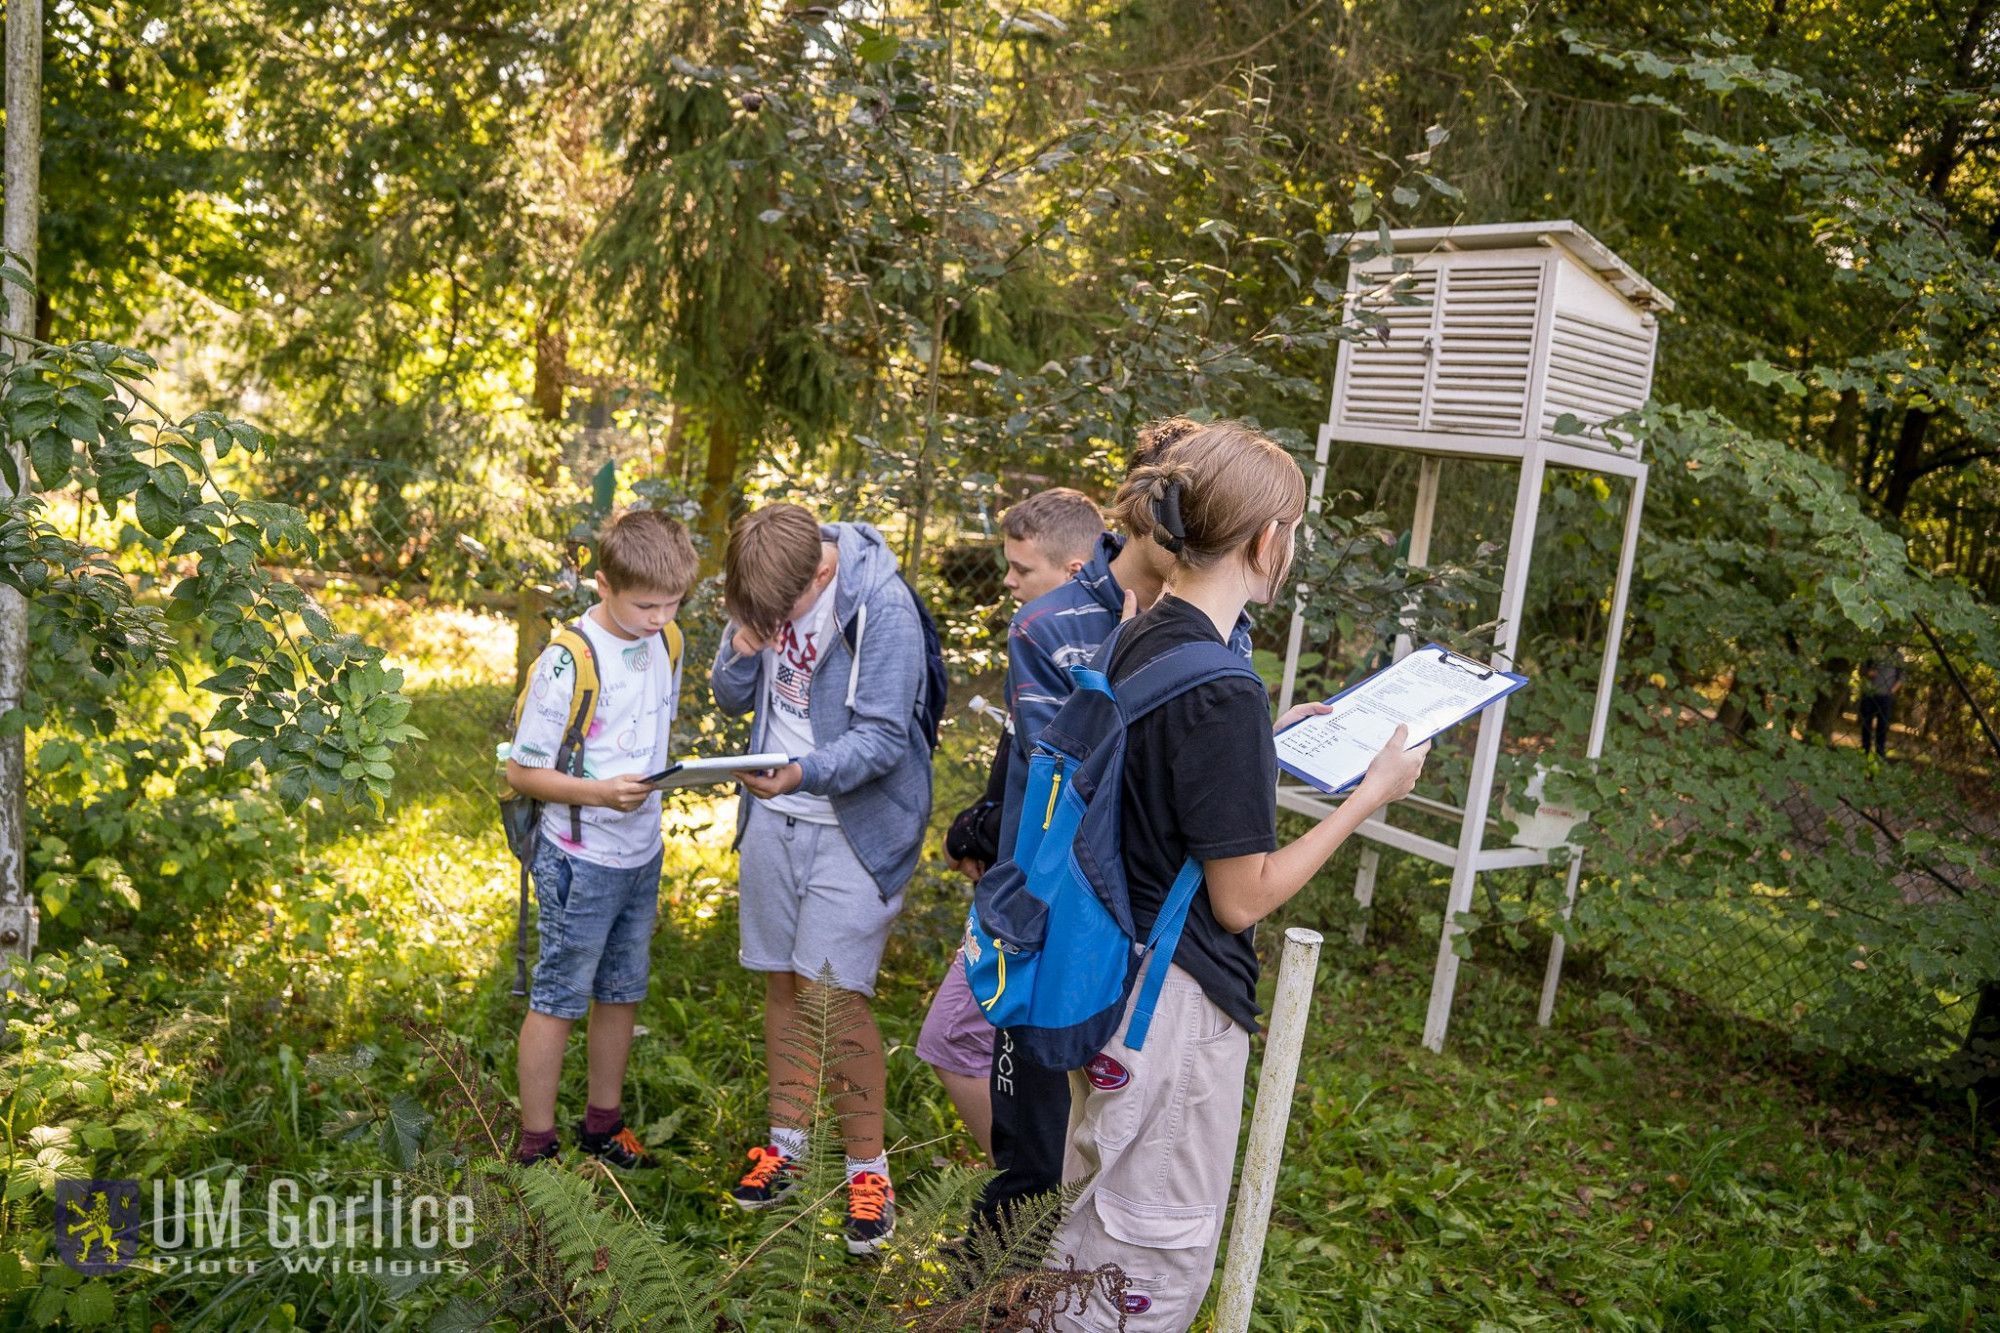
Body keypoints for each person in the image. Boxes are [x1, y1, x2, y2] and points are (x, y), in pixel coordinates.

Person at [1051, 422, 1429, 1330]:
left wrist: (1260, 742)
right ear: (1267, 541)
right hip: (1171, 1009)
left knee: (1085, 1239)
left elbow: (1161, 783)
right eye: (1291, 529)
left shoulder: (1146, 635)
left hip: (1105, 974)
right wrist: (1366, 796)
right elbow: (1242, 894)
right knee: (1143, 1261)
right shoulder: (1222, 689)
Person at [976, 418, 1259, 1237]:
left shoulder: (1213, 624)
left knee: (1105, 1170)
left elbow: (1190, 767)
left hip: (1151, 937)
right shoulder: (1055, 624)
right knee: (1036, 1152)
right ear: (1160, 520)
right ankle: (994, 1299)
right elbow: (1067, 768)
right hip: (1060, 912)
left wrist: (1255, 746)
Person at [710, 504, 935, 1255]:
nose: (772, 624)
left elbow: (882, 738)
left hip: (853, 826)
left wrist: (803, 770)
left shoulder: (883, 606)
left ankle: (868, 1170)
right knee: (781, 980)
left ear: (823, 570)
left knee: (834, 997)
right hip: (774, 820)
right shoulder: (762, 581)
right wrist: (742, 649)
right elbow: (733, 693)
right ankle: (786, 1143)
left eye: (780, 614)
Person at [506, 509, 699, 1171]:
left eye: (673, 603)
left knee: (622, 991)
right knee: (559, 996)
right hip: (579, 859)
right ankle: (536, 1144)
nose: (659, 617)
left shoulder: (668, 641)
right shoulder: (569, 660)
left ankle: (603, 1125)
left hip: (641, 852)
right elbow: (521, 770)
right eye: (646, 604)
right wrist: (599, 793)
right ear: (602, 586)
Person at [920, 487, 1106, 1156]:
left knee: (952, 1037)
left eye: (1022, 569)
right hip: (1015, 890)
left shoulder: (1083, 655)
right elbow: (1024, 768)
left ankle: (1030, 1200)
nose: (1007, 580)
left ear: (1078, 570)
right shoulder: (1050, 649)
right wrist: (983, 823)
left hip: (1043, 904)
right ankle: (1035, 1197)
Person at [1859, 651, 1904, 759]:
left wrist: (1891, 691)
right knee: (1866, 724)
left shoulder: (1897, 656)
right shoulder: (1871, 652)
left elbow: (1901, 677)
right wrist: (1867, 672)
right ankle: (1865, 751)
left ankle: (1880, 753)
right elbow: (1861, 671)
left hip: (1885, 696)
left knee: (1883, 725)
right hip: (1869, 694)